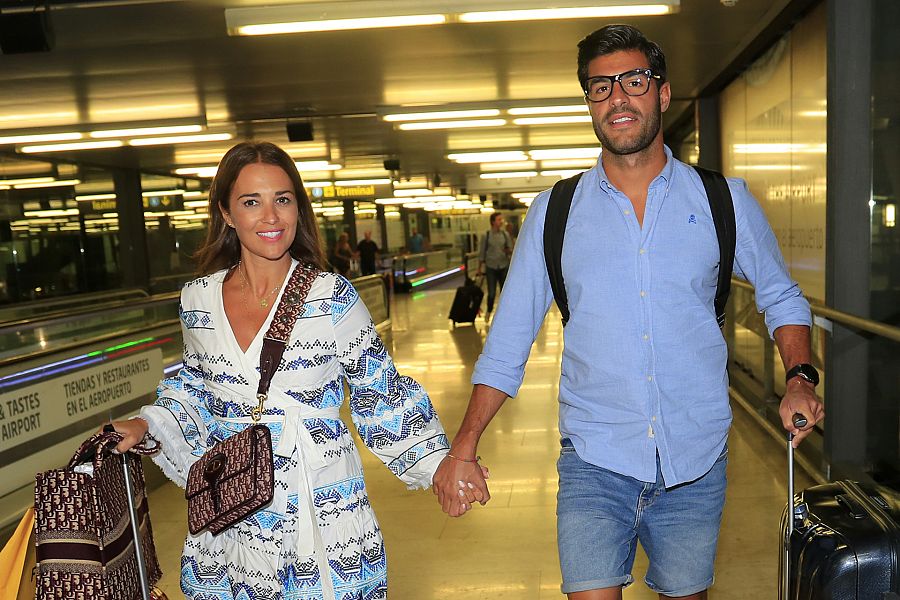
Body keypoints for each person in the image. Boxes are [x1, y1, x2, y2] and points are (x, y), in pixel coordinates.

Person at [432, 24, 824, 600]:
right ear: (589, 102)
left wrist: (799, 376)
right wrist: (464, 444)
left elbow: (781, 295)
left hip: (695, 459)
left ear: (662, 94)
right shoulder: (555, 213)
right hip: (595, 458)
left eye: (632, 81)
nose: (617, 97)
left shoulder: (723, 201)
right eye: (599, 87)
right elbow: (509, 340)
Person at [109, 141, 452, 599]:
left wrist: (442, 468)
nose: (271, 217)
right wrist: (145, 423)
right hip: (231, 506)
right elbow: (193, 390)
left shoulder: (331, 297)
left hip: (318, 511)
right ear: (226, 213)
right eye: (252, 202)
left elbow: (381, 394)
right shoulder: (198, 300)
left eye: (283, 200)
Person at [477, 212, 513, 315]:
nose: (501, 222)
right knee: (491, 292)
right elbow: (482, 252)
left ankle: (504, 314)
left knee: (504, 292)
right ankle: (489, 310)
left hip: (503, 265)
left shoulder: (505, 235)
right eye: (498, 220)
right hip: (491, 267)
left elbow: (510, 249)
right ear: (493, 222)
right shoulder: (486, 235)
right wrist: (479, 268)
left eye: (501, 219)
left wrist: (507, 251)